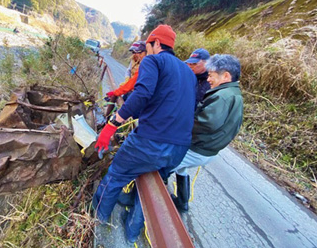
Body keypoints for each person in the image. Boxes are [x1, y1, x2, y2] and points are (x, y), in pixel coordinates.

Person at [92, 25, 197, 243]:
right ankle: (131, 233)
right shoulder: (189, 72)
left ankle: (97, 219)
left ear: (156, 43)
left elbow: (142, 94)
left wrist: (113, 123)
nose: (146, 50)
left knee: (116, 175)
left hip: (151, 142)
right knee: (153, 186)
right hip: (179, 147)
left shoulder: (153, 60)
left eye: (148, 45)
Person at [171, 54, 244, 213]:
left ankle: (145, 209)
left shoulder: (222, 96)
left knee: (161, 165)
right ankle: (182, 202)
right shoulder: (233, 94)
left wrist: (178, 124)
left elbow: (205, 123)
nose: (209, 79)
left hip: (199, 148)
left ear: (225, 76)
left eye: (211, 75)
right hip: (209, 149)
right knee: (181, 169)